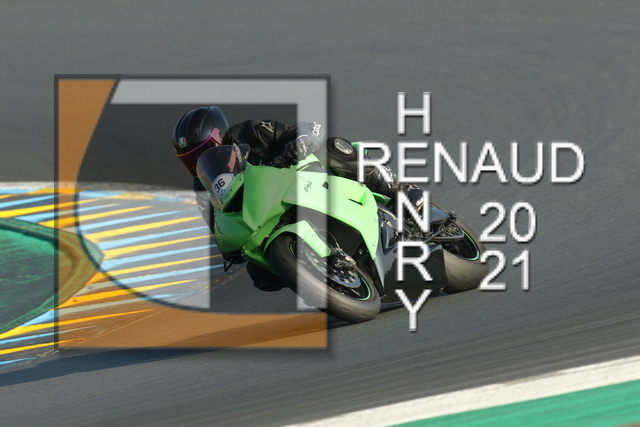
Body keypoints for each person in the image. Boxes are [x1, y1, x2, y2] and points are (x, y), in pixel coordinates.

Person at [172, 106, 423, 291]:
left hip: (304, 179)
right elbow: (216, 224)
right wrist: (228, 249)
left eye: (203, 151)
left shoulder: (252, 132)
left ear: (220, 135)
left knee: (332, 147)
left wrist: (302, 140)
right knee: (260, 274)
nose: (198, 161)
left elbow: (309, 129)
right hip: (267, 216)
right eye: (189, 159)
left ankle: (401, 188)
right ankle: (321, 276)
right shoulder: (202, 186)